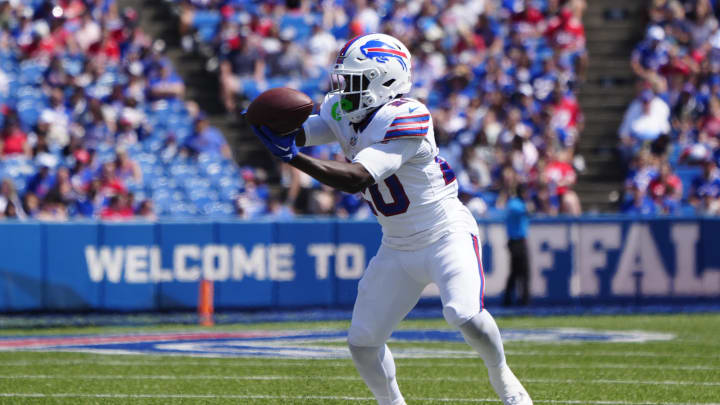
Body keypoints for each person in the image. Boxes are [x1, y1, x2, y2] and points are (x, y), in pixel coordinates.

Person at [250, 33, 532, 405]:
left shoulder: (408, 115)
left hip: (444, 233)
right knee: (362, 342)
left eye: (355, 80)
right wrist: (270, 128)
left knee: (463, 314)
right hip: (396, 245)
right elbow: (305, 132)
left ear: (383, 81)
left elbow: (357, 179)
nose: (344, 88)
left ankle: (503, 375)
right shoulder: (341, 109)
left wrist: (291, 158)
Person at [504, 184, 530, 307]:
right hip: (516, 241)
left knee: (516, 273)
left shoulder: (515, 203)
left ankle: (510, 299)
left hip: (518, 241)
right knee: (522, 273)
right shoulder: (515, 204)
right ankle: (523, 301)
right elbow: (528, 210)